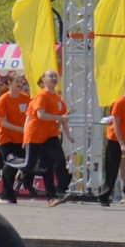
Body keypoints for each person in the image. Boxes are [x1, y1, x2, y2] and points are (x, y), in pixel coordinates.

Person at [22, 70, 72, 203]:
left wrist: (68, 135)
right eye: (50, 76)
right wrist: (25, 136)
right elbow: (41, 115)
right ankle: (19, 173)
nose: (54, 78)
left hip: (50, 136)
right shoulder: (41, 96)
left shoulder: (58, 100)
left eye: (55, 76)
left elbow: (63, 119)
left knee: (58, 160)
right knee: (30, 165)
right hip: (36, 135)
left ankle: (59, 191)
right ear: (43, 80)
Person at [98, 74, 125, 206]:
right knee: (111, 169)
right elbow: (115, 124)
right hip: (115, 138)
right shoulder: (120, 102)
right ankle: (104, 196)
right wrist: (122, 143)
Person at [0, 74, 30, 203]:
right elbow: (4, 123)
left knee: (16, 166)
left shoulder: (26, 99)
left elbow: (29, 117)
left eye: (21, 82)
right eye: (17, 82)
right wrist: (22, 129)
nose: (19, 84)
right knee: (9, 165)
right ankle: (7, 195)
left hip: (20, 139)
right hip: (6, 138)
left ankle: (4, 193)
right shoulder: (3, 99)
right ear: (10, 83)